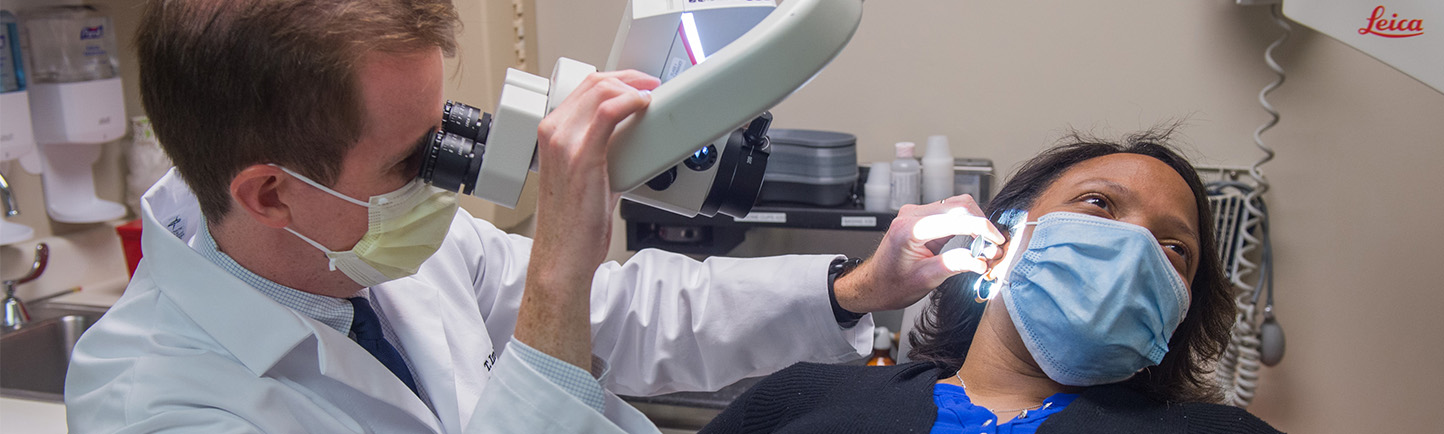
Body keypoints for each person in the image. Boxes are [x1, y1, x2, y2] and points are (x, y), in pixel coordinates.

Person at [62, 1, 1003, 432]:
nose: (446, 177)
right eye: (411, 156)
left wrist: (859, 286)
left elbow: (627, 316)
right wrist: (557, 266)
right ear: (269, 191)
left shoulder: (383, 245)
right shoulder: (151, 403)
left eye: (447, 132)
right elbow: (565, 312)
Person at [701, 129, 1283, 434]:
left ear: (1180, 308)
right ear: (1001, 235)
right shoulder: (800, 399)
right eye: (1099, 203)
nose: (1134, 247)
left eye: (1174, 248)